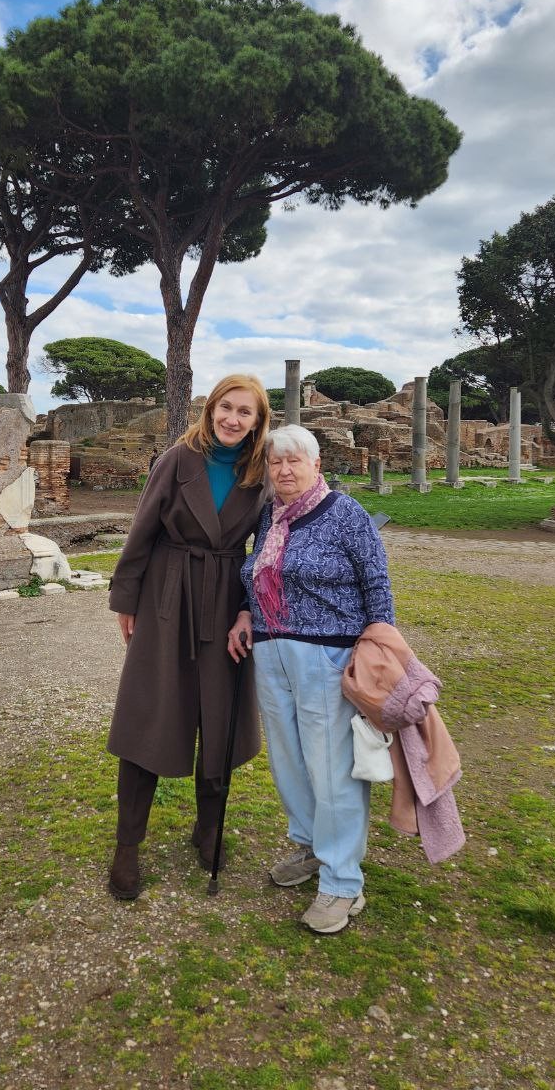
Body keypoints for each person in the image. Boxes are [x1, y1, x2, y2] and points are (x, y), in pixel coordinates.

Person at [106, 375, 272, 900]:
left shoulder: (260, 472)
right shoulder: (178, 460)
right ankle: (127, 845)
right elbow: (143, 529)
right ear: (211, 408)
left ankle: (208, 828)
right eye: (227, 407)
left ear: (257, 421)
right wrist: (126, 598)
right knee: (150, 714)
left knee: (219, 719)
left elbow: (265, 550)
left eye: (245, 412)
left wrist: (248, 609)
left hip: (225, 601)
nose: (233, 419)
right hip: (166, 596)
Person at [228, 424, 394, 934]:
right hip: (272, 651)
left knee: (331, 767)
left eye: (295, 461)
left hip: (326, 654)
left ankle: (343, 882)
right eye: (276, 463)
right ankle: (311, 848)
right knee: (291, 761)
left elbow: (377, 584)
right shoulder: (268, 514)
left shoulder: (346, 514)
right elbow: (257, 574)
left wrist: (376, 649)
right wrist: (242, 612)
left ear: (317, 466)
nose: (284, 471)